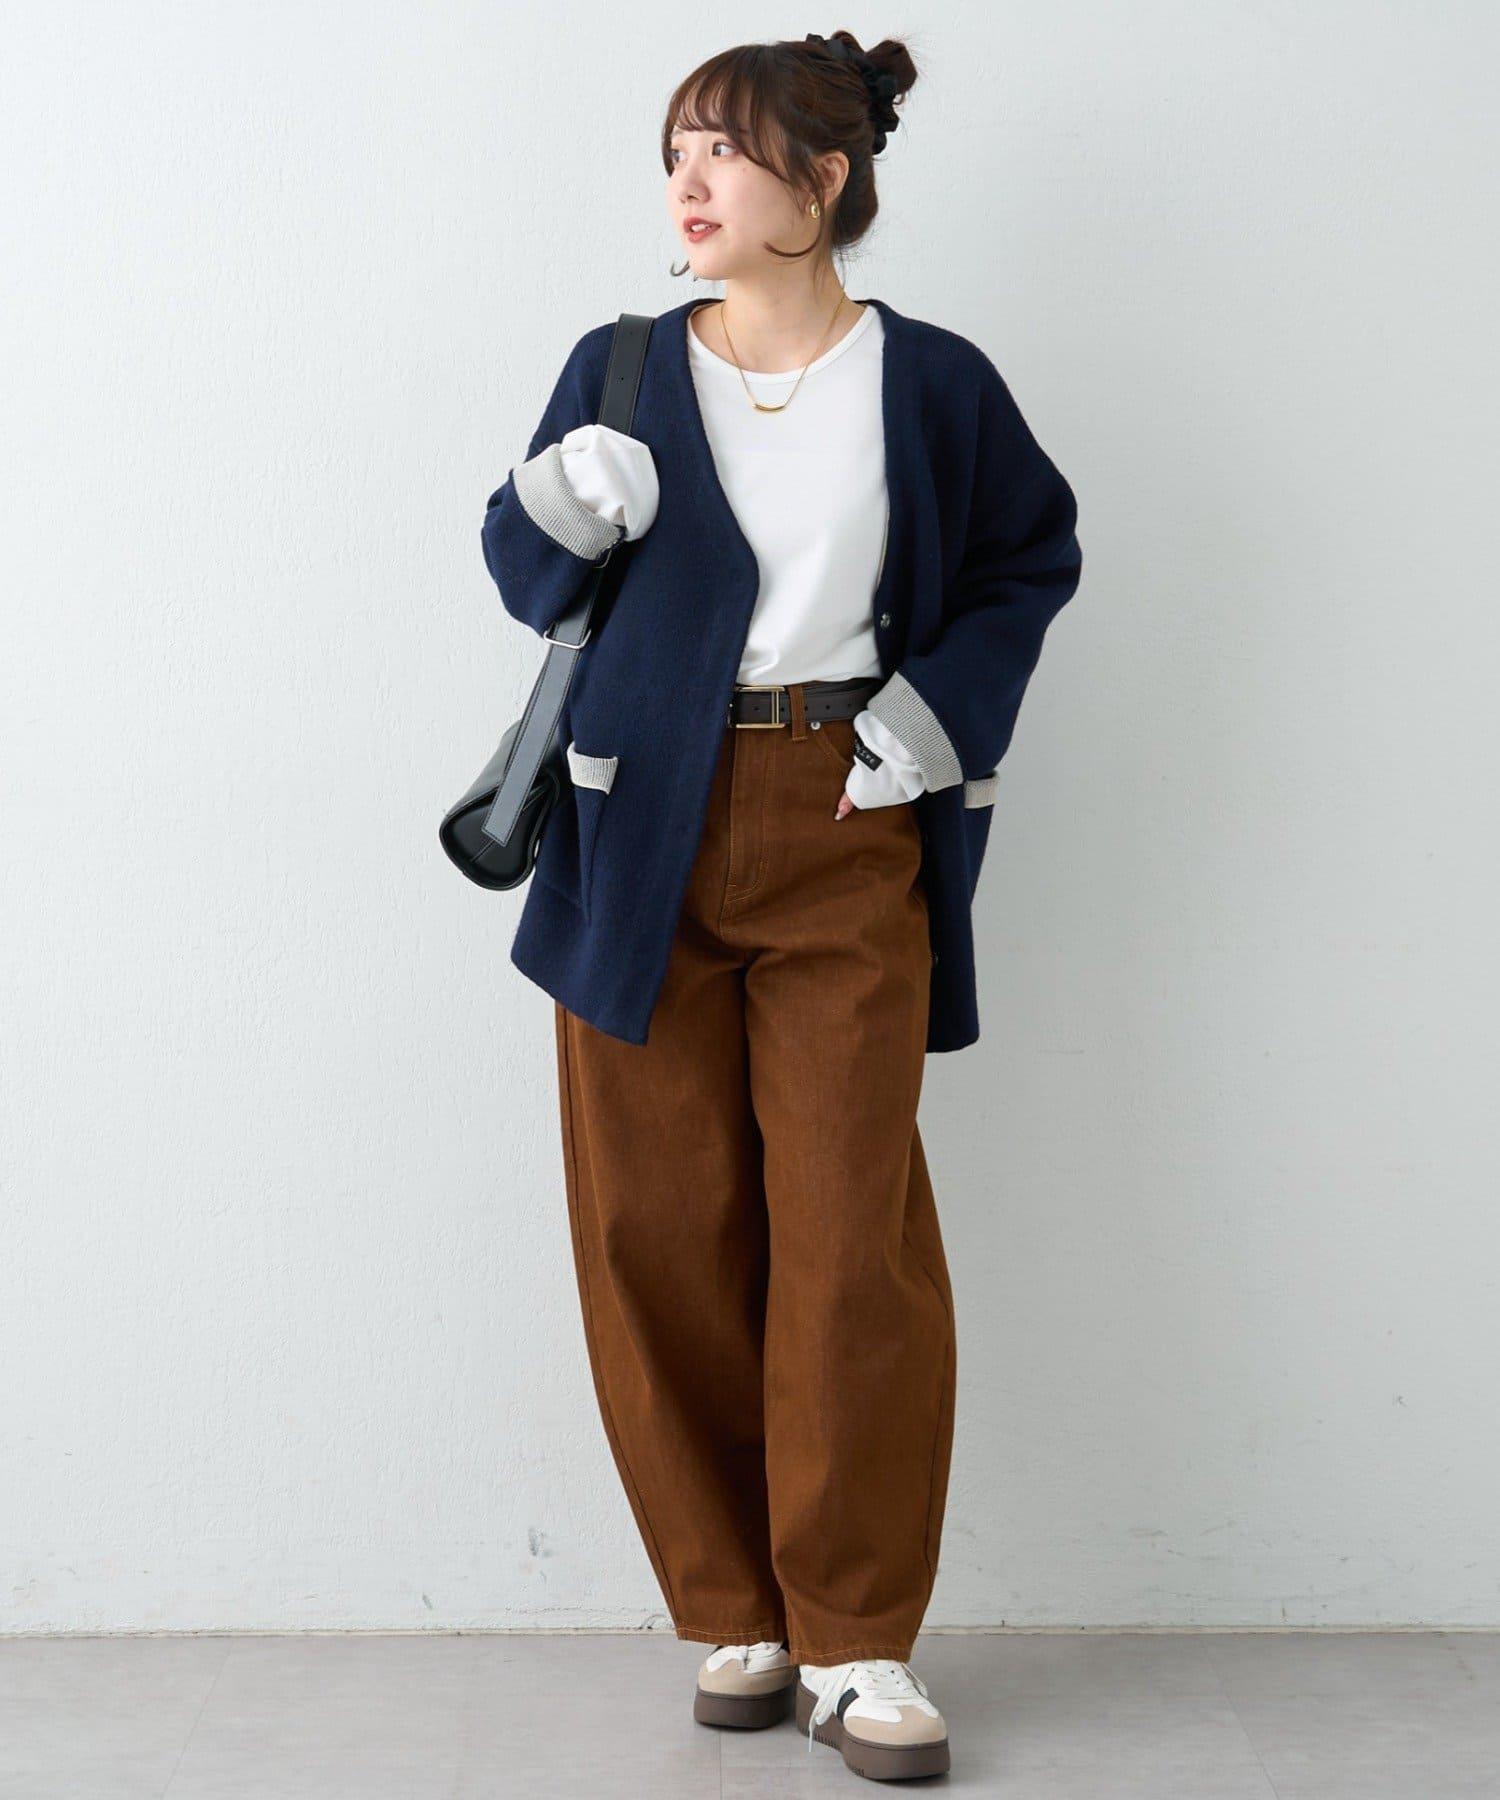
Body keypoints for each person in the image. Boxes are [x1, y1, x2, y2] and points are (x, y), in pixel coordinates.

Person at [478, 30, 1083, 1784]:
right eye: (674, 148)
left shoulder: (934, 381)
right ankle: (733, 1607)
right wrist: (562, 501)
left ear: (824, 181)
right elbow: (523, 574)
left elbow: (1028, 557)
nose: (688, 181)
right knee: (656, 1227)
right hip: (636, 827)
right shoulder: (616, 365)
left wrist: (933, 717)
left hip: (847, 814)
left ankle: (858, 1635)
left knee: (846, 1240)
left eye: (725, 151)